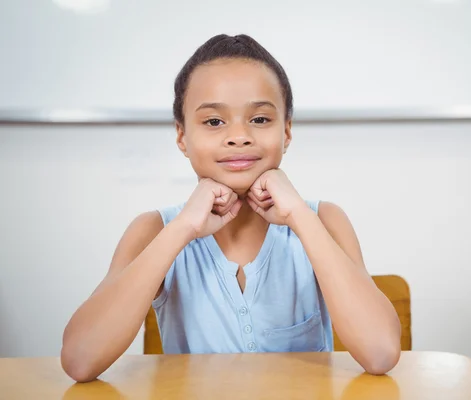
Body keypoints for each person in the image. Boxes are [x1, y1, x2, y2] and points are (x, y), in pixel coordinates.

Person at [60, 34, 401, 383]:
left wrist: (300, 216)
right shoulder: (153, 230)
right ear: (181, 136)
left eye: (260, 120)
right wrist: (182, 228)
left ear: (286, 132)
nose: (239, 136)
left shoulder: (324, 220)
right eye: (213, 122)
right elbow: (80, 360)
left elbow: (380, 352)